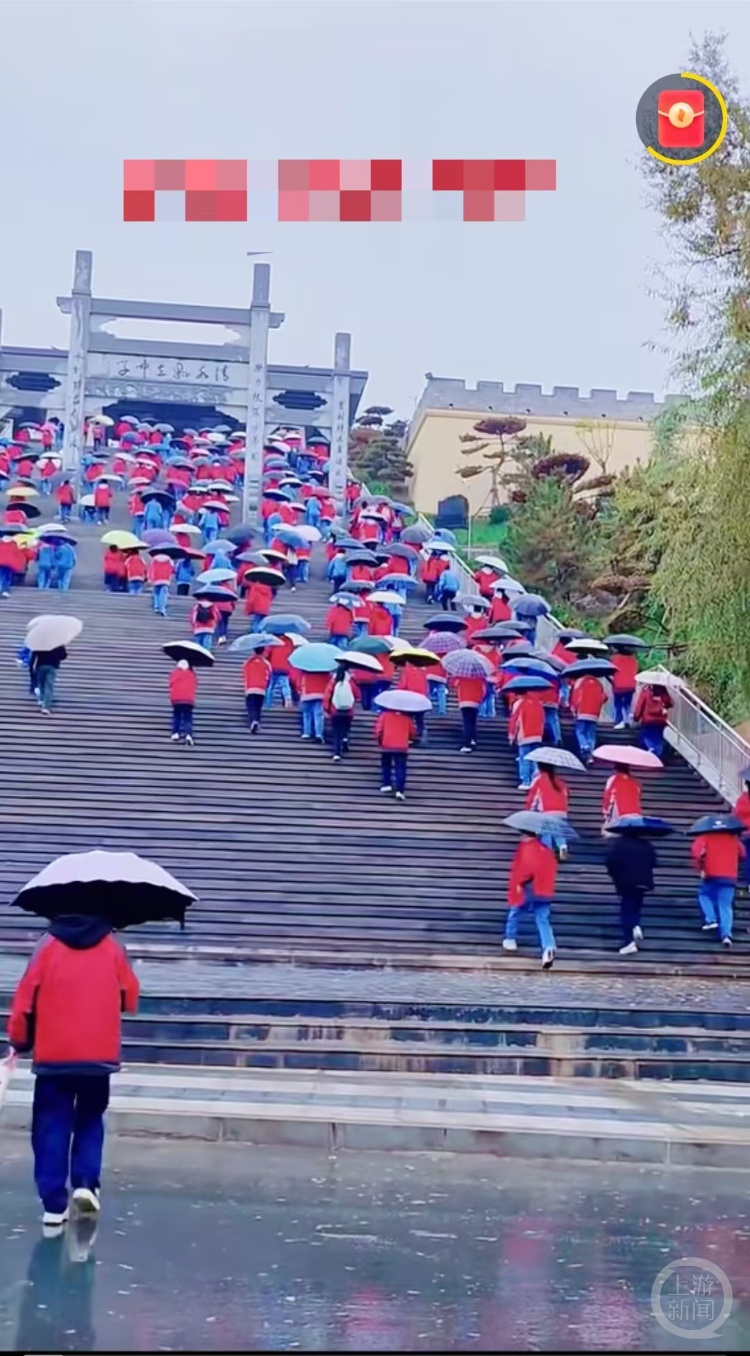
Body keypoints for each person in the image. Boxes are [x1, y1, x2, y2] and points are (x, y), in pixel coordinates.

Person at [7, 913, 140, 1227]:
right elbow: (130, 996)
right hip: (98, 1055)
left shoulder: (47, 945)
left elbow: (25, 998)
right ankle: (85, 1183)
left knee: (51, 1125)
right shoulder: (112, 945)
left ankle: (54, 1205)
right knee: (91, 1118)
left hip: (53, 1056)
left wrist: (19, 1040)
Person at [503, 827, 559, 969]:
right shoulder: (546, 850)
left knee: (516, 911)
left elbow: (524, 868)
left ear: (524, 834)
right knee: (543, 919)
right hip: (544, 890)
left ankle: (510, 939)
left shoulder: (526, 848)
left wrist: (519, 883)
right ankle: (548, 947)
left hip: (528, 888)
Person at [605, 827, 657, 954]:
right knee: (636, 907)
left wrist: (615, 875)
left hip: (625, 882)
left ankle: (630, 938)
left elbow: (610, 862)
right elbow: (654, 862)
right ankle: (635, 927)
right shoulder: (646, 845)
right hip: (643, 882)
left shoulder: (618, 845)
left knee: (626, 910)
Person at [691, 824, 744, 948]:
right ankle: (726, 935)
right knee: (725, 905)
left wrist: (700, 868)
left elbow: (696, 853)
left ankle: (711, 919)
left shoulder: (706, 836)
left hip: (712, 874)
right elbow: (743, 855)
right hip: (730, 876)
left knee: (704, 895)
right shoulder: (734, 839)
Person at [525, 763, 570, 857]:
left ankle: (549, 853)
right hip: (562, 812)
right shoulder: (560, 781)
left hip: (547, 811)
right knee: (559, 834)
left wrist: (529, 811)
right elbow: (565, 796)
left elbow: (533, 798)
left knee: (546, 834)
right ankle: (563, 849)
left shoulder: (539, 779)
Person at [374, 704, 417, 801]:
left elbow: (378, 730)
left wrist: (380, 740)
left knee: (386, 764)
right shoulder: (407, 718)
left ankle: (387, 783)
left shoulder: (385, 716)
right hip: (401, 746)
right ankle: (400, 790)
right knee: (401, 768)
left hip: (387, 745)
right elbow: (413, 733)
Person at [508, 691, 545, 789]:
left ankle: (526, 781)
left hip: (524, 735)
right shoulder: (538, 703)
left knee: (524, 759)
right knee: (534, 759)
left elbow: (515, 720)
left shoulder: (519, 703)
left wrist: (512, 735)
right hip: (537, 735)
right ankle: (535, 781)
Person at [570, 674, 608, 764]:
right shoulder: (598, 684)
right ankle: (590, 755)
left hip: (582, 711)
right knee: (591, 734)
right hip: (594, 713)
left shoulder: (580, 682)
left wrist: (574, 709)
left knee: (580, 731)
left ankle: (584, 746)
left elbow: (576, 698)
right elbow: (605, 697)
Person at [324, 664, 359, 761]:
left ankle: (337, 754)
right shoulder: (350, 681)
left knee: (336, 732)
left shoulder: (333, 681)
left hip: (335, 711)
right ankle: (345, 739)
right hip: (348, 711)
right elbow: (357, 694)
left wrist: (326, 709)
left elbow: (327, 695)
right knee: (346, 728)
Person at [633, 682, 674, 759]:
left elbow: (640, 706)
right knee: (658, 738)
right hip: (660, 721)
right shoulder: (663, 692)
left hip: (648, 720)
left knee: (645, 737)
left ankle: (650, 751)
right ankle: (657, 754)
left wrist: (636, 717)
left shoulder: (645, 692)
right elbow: (670, 703)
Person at [452, 672, 485, 753]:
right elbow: (483, 690)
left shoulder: (461, 677)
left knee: (467, 723)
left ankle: (467, 743)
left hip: (464, 701)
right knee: (473, 722)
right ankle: (473, 740)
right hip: (475, 702)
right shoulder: (480, 678)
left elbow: (454, 685)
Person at [29, 645, 68, 715]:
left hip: (41, 665)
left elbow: (34, 655)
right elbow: (63, 656)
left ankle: (41, 699)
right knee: (49, 686)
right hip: (52, 666)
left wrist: (31, 668)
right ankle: (45, 707)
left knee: (41, 683)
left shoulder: (40, 643)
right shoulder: (57, 643)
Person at [602, 764, 642, 829]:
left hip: (620, 816)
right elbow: (638, 797)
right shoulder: (635, 783)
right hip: (636, 816)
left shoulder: (613, 779)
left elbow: (607, 797)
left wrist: (605, 813)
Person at [397, 662, 429, 743]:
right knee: (419, 718)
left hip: (409, 697)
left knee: (407, 717)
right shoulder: (423, 672)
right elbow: (426, 686)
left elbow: (403, 685)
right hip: (421, 697)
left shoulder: (407, 671)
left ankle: (408, 735)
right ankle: (421, 732)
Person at [169, 659, 197, 745]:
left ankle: (176, 733)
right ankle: (188, 734)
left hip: (176, 699)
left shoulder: (175, 673)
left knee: (177, 716)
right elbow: (195, 684)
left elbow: (171, 683)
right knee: (187, 718)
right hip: (188, 700)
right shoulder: (192, 675)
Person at [243, 649, 272, 734]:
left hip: (250, 688)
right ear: (263, 651)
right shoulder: (266, 663)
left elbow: (245, 675)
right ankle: (257, 721)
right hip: (261, 689)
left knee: (251, 707)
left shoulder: (248, 662)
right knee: (258, 707)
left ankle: (253, 721)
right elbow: (269, 675)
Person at [611, 649, 639, 729]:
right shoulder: (634, 661)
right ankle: (627, 720)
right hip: (630, 685)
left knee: (618, 704)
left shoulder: (615, 659)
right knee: (627, 703)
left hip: (618, 685)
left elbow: (612, 670)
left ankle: (619, 721)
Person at [299, 667, 329, 742]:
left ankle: (306, 732)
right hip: (320, 694)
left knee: (306, 714)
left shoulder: (306, 672)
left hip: (307, 695)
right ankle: (318, 733)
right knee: (318, 715)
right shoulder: (325, 672)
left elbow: (300, 684)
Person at [265, 634, 295, 708]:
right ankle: (288, 700)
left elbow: (267, 654)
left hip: (274, 666)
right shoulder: (289, 640)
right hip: (285, 666)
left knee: (271, 687)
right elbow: (291, 652)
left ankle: (268, 704)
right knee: (285, 686)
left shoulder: (272, 641)